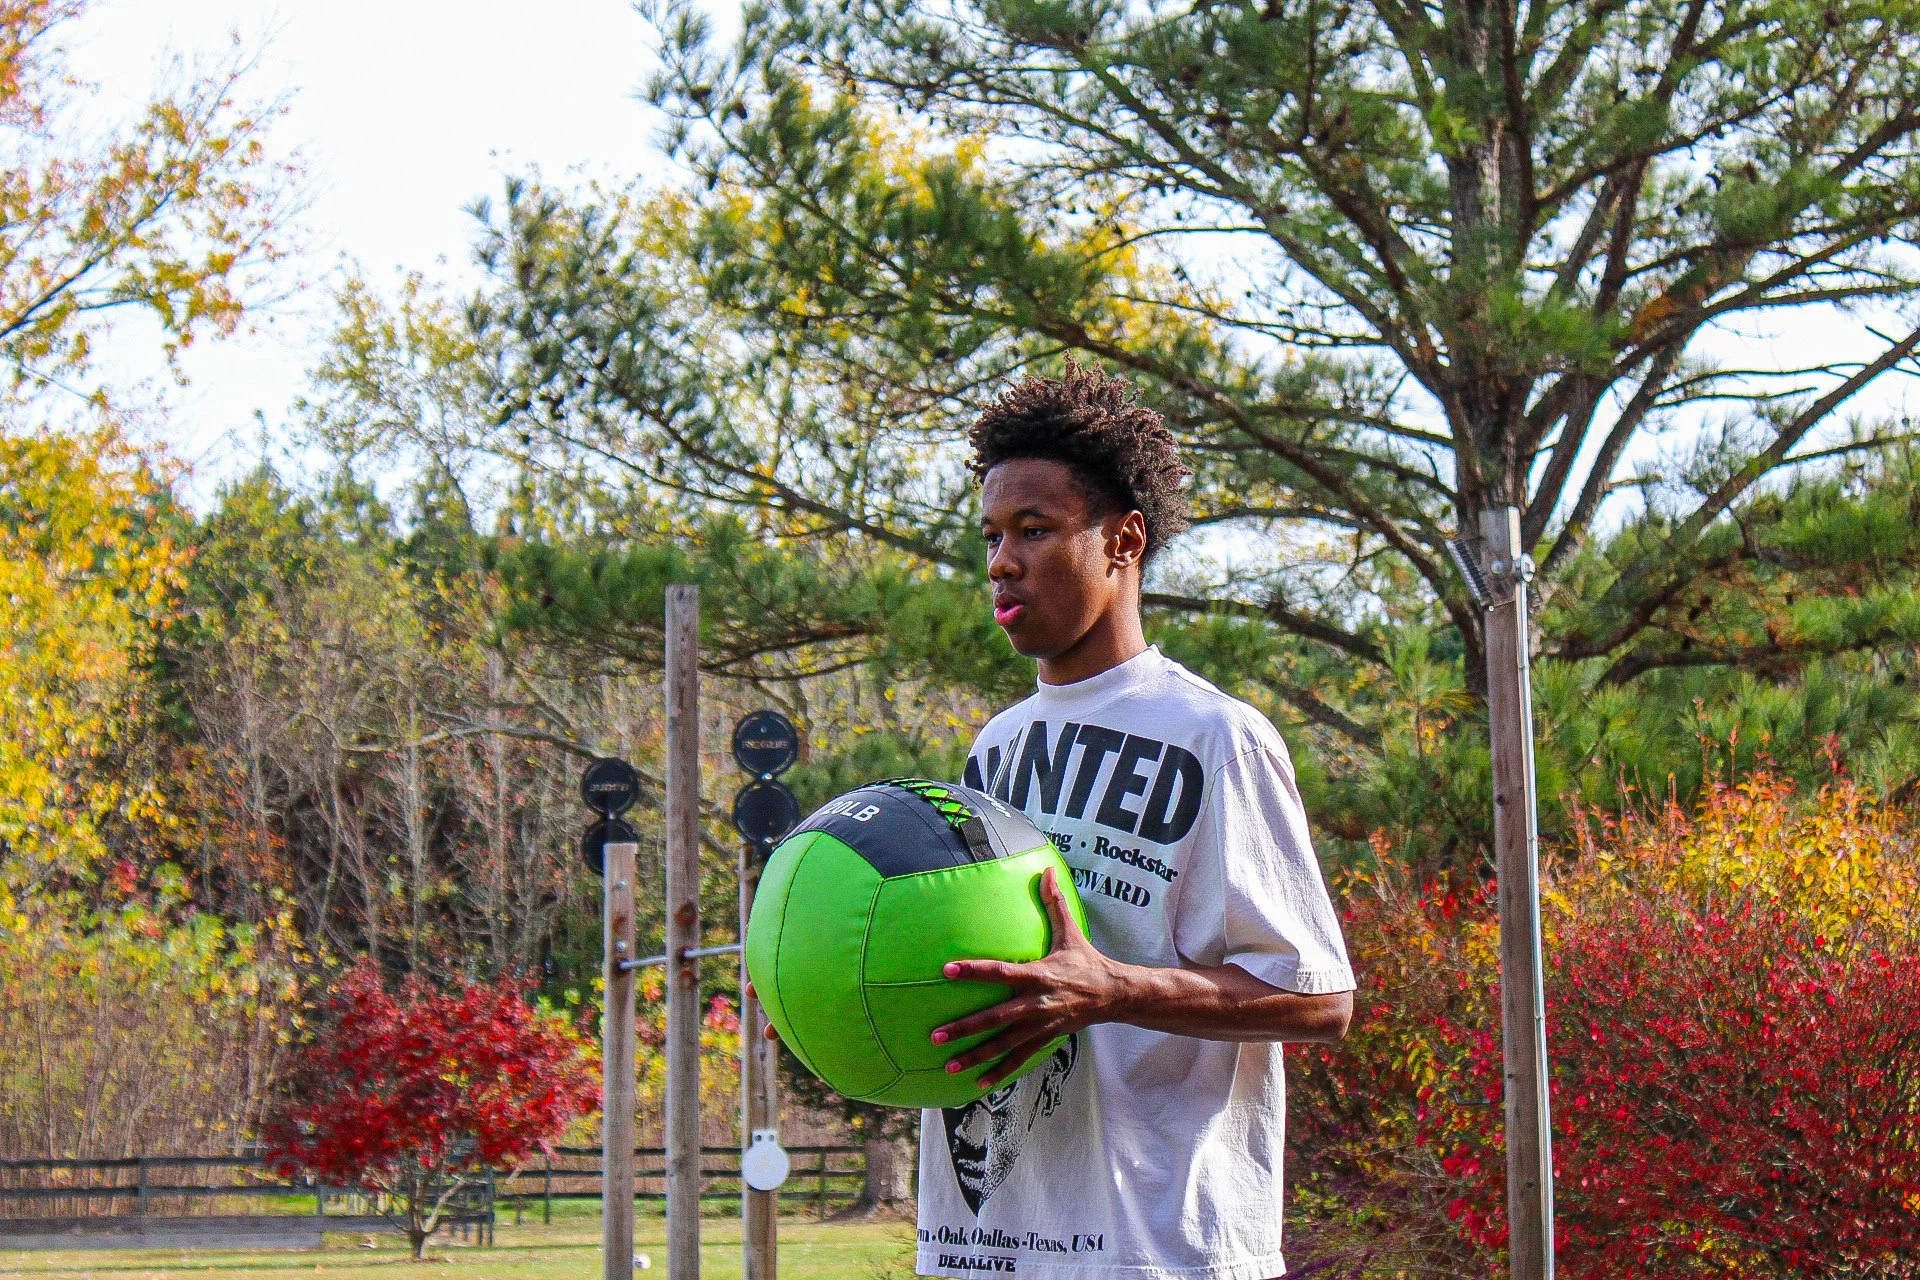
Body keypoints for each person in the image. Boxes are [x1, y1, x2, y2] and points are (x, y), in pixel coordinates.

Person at [759, 360, 1356, 1280]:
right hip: (986, 1248)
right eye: (993, 534)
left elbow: (1319, 998)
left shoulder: (1216, 737)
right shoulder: (994, 748)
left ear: (1124, 540)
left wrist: (1115, 988)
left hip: (1157, 1250)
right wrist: (832, 992)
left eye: (1035, 530)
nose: (1002, 559)